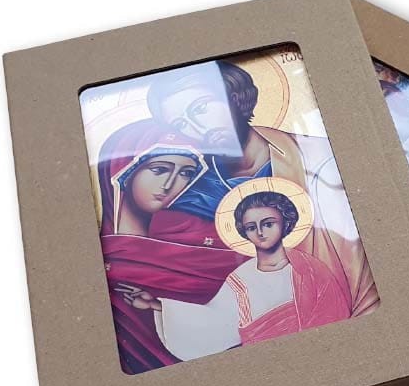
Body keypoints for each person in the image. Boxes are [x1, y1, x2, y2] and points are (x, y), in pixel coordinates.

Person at [145, 60, 377, 316]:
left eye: (200, 108)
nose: (198, 128)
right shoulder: (193, 198)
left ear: (234, 97)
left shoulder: (319, 156)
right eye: (181, 124)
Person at [119, 190, 351, 359]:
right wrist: (156, 305)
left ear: (286, 223)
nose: (260, 232)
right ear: (243, 231)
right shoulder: (241, 278)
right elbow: (216, 322)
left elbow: (337, 319)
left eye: (268, 224)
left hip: (322, 356)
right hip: (267, 366)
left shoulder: (310, 269)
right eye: (251, 227)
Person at [95, 120, 245, 373]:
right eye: (159, 169)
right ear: (124, 170)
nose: (169, 184)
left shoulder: (203, 234)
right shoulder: (102, 259)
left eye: (186, 173)